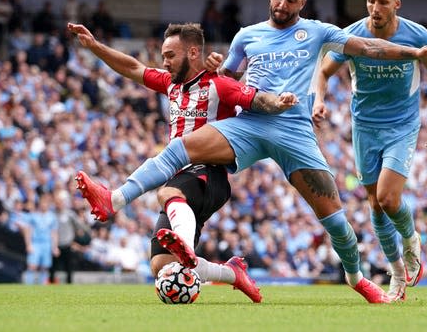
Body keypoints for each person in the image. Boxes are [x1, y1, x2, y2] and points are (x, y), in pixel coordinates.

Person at [76, 0, 427, 304]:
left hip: (294, 131)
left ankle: (357, 279)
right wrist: (215, 66)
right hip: (249, 124)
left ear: (301, 3)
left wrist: (415, 52)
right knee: (179, 148)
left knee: (336, 221)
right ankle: (115, 198)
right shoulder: (247, 35)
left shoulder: (318, 31)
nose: (282, 3)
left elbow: (369, 46)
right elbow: (226, 79)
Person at [69, 21, 298, 302]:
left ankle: (116, 201)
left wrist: (279, 102)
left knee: (167, 193)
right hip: (180, 177)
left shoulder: (219, 85)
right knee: (161, 264)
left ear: (192, 53)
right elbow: (132, 68)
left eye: (170, 56)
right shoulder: (171, 85)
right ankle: (232, 274)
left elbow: (254, 99)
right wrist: (95, 47)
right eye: (164, 56)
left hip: (209, 173)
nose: (164, 62)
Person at [313, 0, 427, 301]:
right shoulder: (353, 35)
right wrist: (319, 98)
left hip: (402, 125)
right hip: (364, 126)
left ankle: (411, 239)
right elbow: (325, 71)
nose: (375, 7)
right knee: (374, 205)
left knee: (388, 198)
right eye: (371, 1)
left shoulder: (417, 35)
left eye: (383, 2)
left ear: (396, 4)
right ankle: (397, 273)